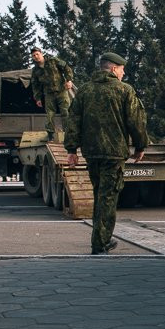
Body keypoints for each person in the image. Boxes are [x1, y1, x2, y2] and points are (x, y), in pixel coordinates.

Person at [65, 51, 149, 254]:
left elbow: (73, 121)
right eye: (122, 69)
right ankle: (100, 243)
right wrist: (140, 146)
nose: (123, 73)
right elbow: (136, 122)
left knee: (99, 195)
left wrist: (71, 149)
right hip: (113, 154)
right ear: (113, 69)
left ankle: (100, 239)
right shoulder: (124, 90)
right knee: (108, 198)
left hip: (92, 153)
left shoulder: (85, 91)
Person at [29, 47, 75, 139]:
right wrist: (38, 98)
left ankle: (68, 134)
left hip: (61, 91)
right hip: (49, 94)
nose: (36, 56)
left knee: (66, 112)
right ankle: (50, 134)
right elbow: (35, 85)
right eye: (34, 55)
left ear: (41, 54)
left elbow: (66, 68)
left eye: (37, 54)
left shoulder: (53, 61)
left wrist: (69, 80)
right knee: (49, 114)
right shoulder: (35, 70)